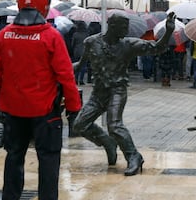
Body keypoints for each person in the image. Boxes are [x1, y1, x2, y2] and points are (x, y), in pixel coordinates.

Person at [0, 0, 81, 200]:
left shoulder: (4, 35)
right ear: (44, 7)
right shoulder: (51, 36)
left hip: (13, 111)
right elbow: (66, 75)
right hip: (45, 113)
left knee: (14, 157)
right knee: (48, 160)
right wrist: (74, 106)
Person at [73, 12, 175, 176]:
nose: (126, 31)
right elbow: (80, 64)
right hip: (98, 92)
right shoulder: (91, 42)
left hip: (117, 90)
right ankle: (107, 141)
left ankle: (133, 156)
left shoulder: (128, 44)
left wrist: (168, 32)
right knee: (79, 125)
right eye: (123, 28)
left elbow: (157, 48)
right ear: (112, 27)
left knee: (114, 125)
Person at [71, 20, 89, 85]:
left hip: (77, 51)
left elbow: (72, 44)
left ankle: (76, 79)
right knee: (83, 66)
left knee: (77, 65)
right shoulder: (86, 34)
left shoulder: (75, 34)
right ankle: (81, 80)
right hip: (84, 51)